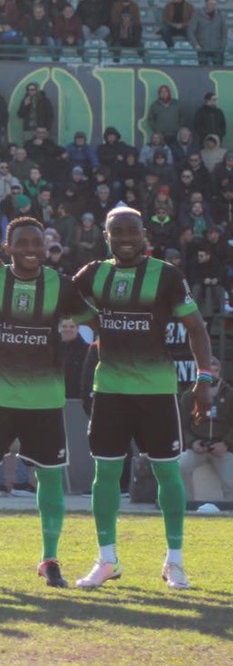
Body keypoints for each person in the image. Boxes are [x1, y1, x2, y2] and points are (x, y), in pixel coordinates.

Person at [70, 207, 212, 589]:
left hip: (156, 391)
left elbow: (196, 328)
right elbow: (59, 295)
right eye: (117, 232)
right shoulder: (94, 273)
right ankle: (106, 560)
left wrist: (204, 377)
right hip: (110, 390)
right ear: (106, 235)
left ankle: (175, 561)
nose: (125, 238)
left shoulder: (165, 275)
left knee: (168, 472)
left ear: (144, 234)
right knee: (106, 474)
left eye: (132, 231)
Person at [0, 218, 95, 589]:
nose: (30, 250)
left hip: (44, 398)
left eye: (36, 243)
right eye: (22, 243)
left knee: (49, 478)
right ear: (8, 247)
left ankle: (50, 558)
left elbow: (92, 319)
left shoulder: (59, 284)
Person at [179, 359, 233, 502]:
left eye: (216, 371)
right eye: (209, 371)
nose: (213, 375)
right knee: (182, 466)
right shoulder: (189, 395)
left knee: (231, 480)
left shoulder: (229, 394)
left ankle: (228, 513)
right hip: (197, 447)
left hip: (222, 448)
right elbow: (182, 425)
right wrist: (192, 443)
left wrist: (226, 444)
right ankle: (187, 505)